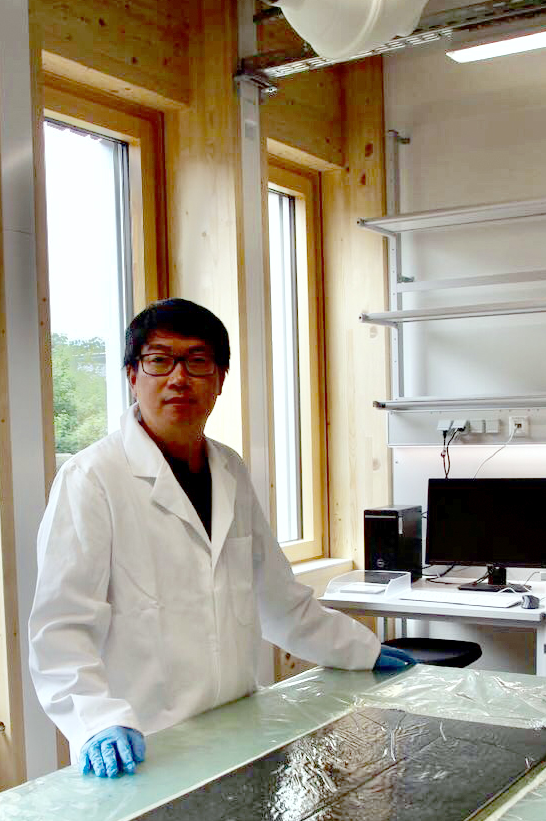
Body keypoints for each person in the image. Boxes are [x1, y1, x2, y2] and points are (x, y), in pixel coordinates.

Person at [28, 298, 417, 778]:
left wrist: (362, 650)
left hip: (239, 735)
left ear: (219, 379)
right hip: (145, 750)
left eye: (197, 362)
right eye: (158, 360)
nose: (178, 378)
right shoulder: (91, 478)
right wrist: (95, 722)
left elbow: (279, 602)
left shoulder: (229, 468)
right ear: (132, 374)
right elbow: (61, 630)